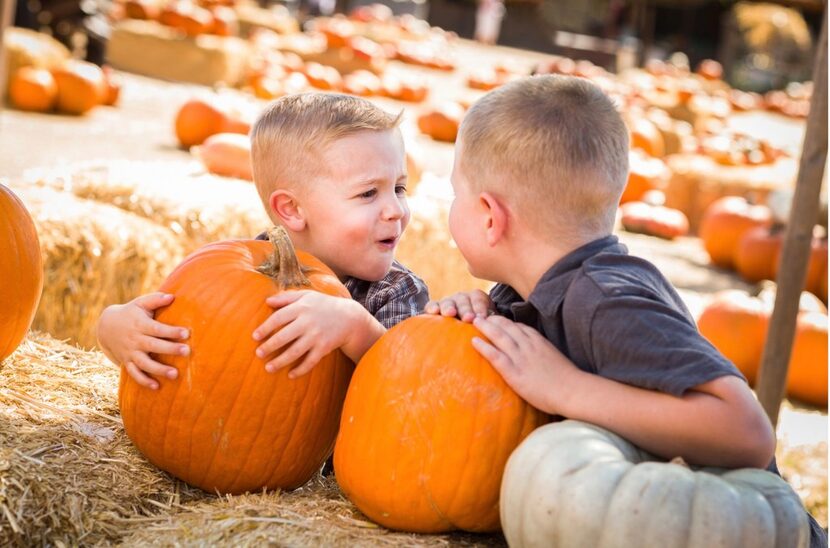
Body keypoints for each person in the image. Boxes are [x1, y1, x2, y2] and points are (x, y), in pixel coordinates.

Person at [425, 75, 826, 545]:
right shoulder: (530, 290)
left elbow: (748, 433)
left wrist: (568, 390)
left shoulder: (610, 299)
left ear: (490, 217)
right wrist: (475, 320)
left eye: (456, 193)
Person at [98, 93, 428, 389]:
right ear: (292, 209)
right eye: (368, 193)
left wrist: (356, 329)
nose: (395, 209)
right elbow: (173, 334)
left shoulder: (396, 292)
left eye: (400, 188)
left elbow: (411, 386)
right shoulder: (237, 269)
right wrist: (113, 327)